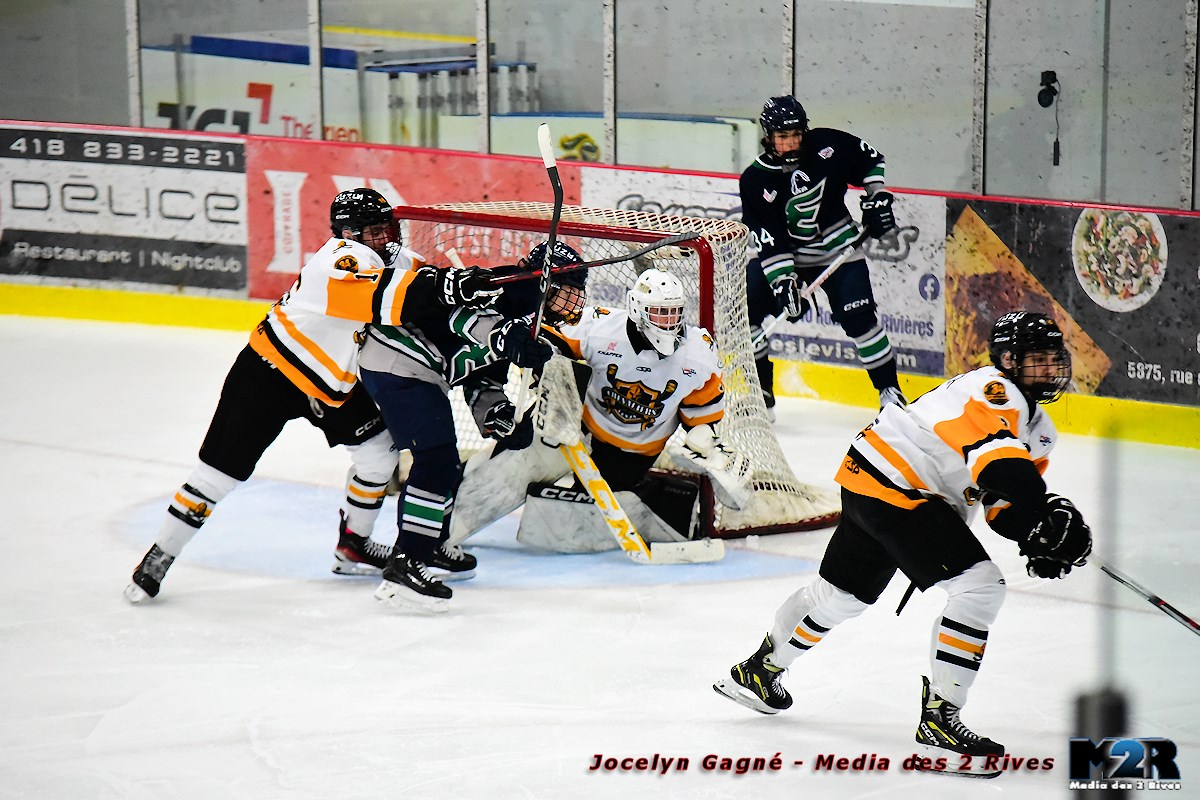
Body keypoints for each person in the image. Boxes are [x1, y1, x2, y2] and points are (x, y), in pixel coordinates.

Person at [713, 311, 1092, 777]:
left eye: (1055, 359)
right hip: (903, 489)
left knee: (841, 596)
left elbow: (1000, 505)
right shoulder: (994, 390)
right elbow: (999, 471)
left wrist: (1039, 539)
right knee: (980, 588)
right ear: (1009, 360)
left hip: (872, 479)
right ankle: (940, 726)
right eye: (1038, 359)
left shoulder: (1040, 432)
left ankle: (760, 671)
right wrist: (1046, 515)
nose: (1051, 369)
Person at [124, 188, 501, 603]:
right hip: (267, 377)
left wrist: (471, 285)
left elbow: (426, 288)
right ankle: (160, 556)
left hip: (330, 387)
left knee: (379, 455)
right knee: (217, 476)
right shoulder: (338, 260)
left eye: (387, 229)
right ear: (347, 233)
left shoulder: (391, 259)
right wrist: (450, 289)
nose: (384, 238)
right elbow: (389, 303)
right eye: (373, 231)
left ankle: (352, 546)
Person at [449, 266, 745, 554]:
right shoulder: (599, 328)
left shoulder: (698, 355)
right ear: (638, 309)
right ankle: (446, 520)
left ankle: (656, 499)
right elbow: (554, 338)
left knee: (575, 522)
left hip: (632, 452)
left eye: (674, 313)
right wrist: (545, 359)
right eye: (659, 312)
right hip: (573, 426)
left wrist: (705, 441)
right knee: (511, 466)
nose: (668, 322)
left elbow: (702, 411)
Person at [358, 240, 579, 612]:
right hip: (396, 360)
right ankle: (407, 563)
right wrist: (504, 336)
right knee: (436, 459)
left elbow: (482, 381)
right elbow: (455, 316)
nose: (575, 301)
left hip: (421, 373)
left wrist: (501, 417)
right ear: (547, 282)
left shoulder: (533, 321)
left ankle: (431, 544)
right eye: (569, 289)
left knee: (445, 464)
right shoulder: (509, 287)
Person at [740, 95, 906, 413]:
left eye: (796, 135)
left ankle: (890, 393)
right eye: (783, 137)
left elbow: (871, 160)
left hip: (839, 250)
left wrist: (878, 196)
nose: (791, 143)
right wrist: (783, 282)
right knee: (747, 311)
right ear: (768, 136)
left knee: (859, 319)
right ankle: (761, 391)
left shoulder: (827, 144)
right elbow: (769, 239)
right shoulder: (755, 179)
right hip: (788, 256)